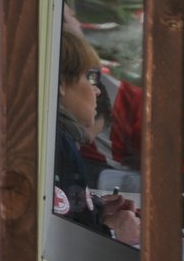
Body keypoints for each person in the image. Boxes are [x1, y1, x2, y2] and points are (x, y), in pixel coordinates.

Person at [54, 27, 139, 245]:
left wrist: (96, 208)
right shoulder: (58, 143)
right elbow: (62, 242)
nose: (98, 90)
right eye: (90, 79)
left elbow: (66, 209)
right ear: (61, 83)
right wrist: (114, 233)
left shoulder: (59, 139)